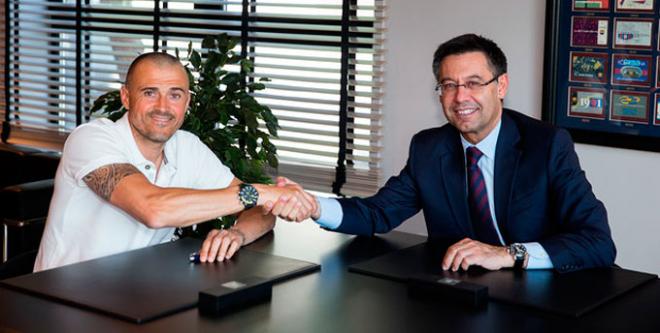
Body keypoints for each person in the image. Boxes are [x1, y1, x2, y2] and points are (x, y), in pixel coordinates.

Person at [268, 34, 616, 273]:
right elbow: (376, 214)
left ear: (502, 86)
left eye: (474, 83)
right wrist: (314, 205)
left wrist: (508, 254)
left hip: (546, 299)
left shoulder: (547, 144)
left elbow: (598, 242)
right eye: (449, 85)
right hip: (461, 295)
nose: (461, 97)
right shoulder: (428, 148)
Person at [34, 52, 316, 271]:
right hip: (63, 297)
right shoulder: (91, 139)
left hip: (136, 294)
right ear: (126, 96)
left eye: (175, 95)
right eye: (149, 92)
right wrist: (264, 191)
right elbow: (153, 209)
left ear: (187, 103)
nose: (162, 107)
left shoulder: (187, 147)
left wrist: (237, 234)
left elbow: (262, 212)